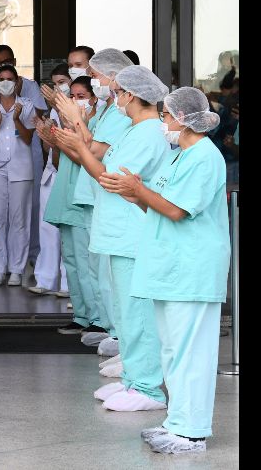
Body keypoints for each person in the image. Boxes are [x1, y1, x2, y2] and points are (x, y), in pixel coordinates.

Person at [98, 87, 228, 454]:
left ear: (185, 119)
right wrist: (135, 195)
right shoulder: (179, 156)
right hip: (171, 269)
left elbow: (177, 210)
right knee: (172, 351)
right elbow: (158, 207)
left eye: (167, 116)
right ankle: (177, 423)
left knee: (192, 354)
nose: (162, 123)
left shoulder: (205, 157)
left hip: (192, 269)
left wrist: (138, 190)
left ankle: (193, 431)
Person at [55, 64, 171, 412]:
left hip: (133, 233)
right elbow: (100, 160)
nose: (114, 98)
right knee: (125, 312)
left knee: (138, 315)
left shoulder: (150, 133)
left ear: (131, 95)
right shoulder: (133, 130)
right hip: (119, 232)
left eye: (118, 92)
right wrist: (76, 140)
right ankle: (134, 379)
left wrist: (79, 139)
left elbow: (109, 178)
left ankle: (148, 388)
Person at [42, 49, 132, 345]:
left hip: (105, 199)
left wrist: (73, 125)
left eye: (94, 76)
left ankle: (112, 330)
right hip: (91, 196)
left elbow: (93, 152)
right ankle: (110, 331)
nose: (93, 83)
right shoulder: (108, 111)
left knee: (102, 271)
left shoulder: (119, 115)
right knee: (92, 269)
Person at [0, 45, 48, 271]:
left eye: (9, 79)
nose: (5, 82)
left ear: (17, 82)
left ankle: (17, 268)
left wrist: (16, 119)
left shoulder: (26, 105)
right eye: (0, 78)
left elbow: (27, 137)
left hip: (21, 166)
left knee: (20, 219)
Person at [28, 64, 72, 296]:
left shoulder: (74, 107)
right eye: (55, 83)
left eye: (62, 81)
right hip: (51, 171)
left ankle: (66, 283)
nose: (58, 87)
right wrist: (46, 136)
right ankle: (45, 279)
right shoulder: (52, 110)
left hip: (69, 172)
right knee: (46, 227)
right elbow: (48, 146)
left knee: (66, 231)